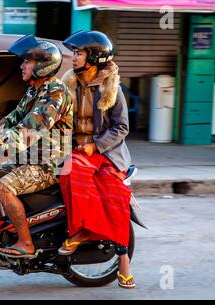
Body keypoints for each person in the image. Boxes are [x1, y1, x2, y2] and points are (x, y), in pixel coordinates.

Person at [0, 35, 73, 258]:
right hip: (29, 159)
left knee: (3, 187)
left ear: (42, 66)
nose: (22, 66)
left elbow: (33, 127)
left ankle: (26, 243)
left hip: (49, 165)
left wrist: (4, 140)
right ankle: (3, 228)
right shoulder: (33, 91)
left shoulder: (56, 93)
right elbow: (12, 119)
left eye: (27, 62)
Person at [58, 30, 135, 289]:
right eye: (74, 53)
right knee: (68, 169)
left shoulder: (110, 86)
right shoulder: (68, 82)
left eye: (78, 53)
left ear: (94, 57)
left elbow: (121, 127)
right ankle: (83, 229)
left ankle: (123, 260)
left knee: (114, 197)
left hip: (106, 153)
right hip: (76, 151)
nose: (73, 57)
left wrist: (96, 145)